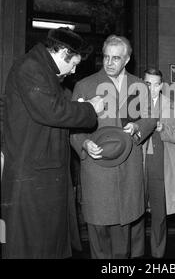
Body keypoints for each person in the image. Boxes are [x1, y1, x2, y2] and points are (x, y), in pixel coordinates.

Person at [1, 27, 105, 259]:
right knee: (33, 242)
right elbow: (51, 111)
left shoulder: (41, 69)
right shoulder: (31, 67)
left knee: (44, 241)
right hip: (33, 173)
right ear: (62, 53)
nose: (74, 70)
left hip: (41, 170)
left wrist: (75, 106)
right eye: (74, 63)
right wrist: (90, 108)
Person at [70, 35, 157, 259]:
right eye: (106, 57)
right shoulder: (85, 85)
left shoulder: (139, 86)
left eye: (116, 58)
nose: (109, 62)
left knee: (124, 232)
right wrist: (85, 144)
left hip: (128, 166)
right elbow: (74, 129)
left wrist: (137, 127)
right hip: (98, 167)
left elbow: (150, 119)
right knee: (98, 232)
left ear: (127, 60)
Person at [131, 68, 175, 258]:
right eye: (148, 84)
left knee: (159, 213)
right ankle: (136, 253)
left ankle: (158, 254)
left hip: (161, 164)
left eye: (156, 84)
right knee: (136, 211)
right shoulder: (133, 105)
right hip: (136, 163)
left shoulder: (172, 106)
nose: (152, 88)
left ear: (162, 85)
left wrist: (164, 127)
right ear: (142, 83)